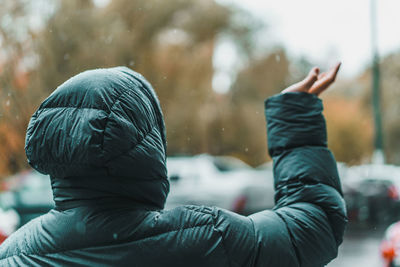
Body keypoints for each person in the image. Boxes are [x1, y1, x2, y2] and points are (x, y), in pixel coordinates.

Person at [0, 63, 346, 266]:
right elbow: (315, 226)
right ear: (148, 145)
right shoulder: (201, 238)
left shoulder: (14, 254)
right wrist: (295, 117)